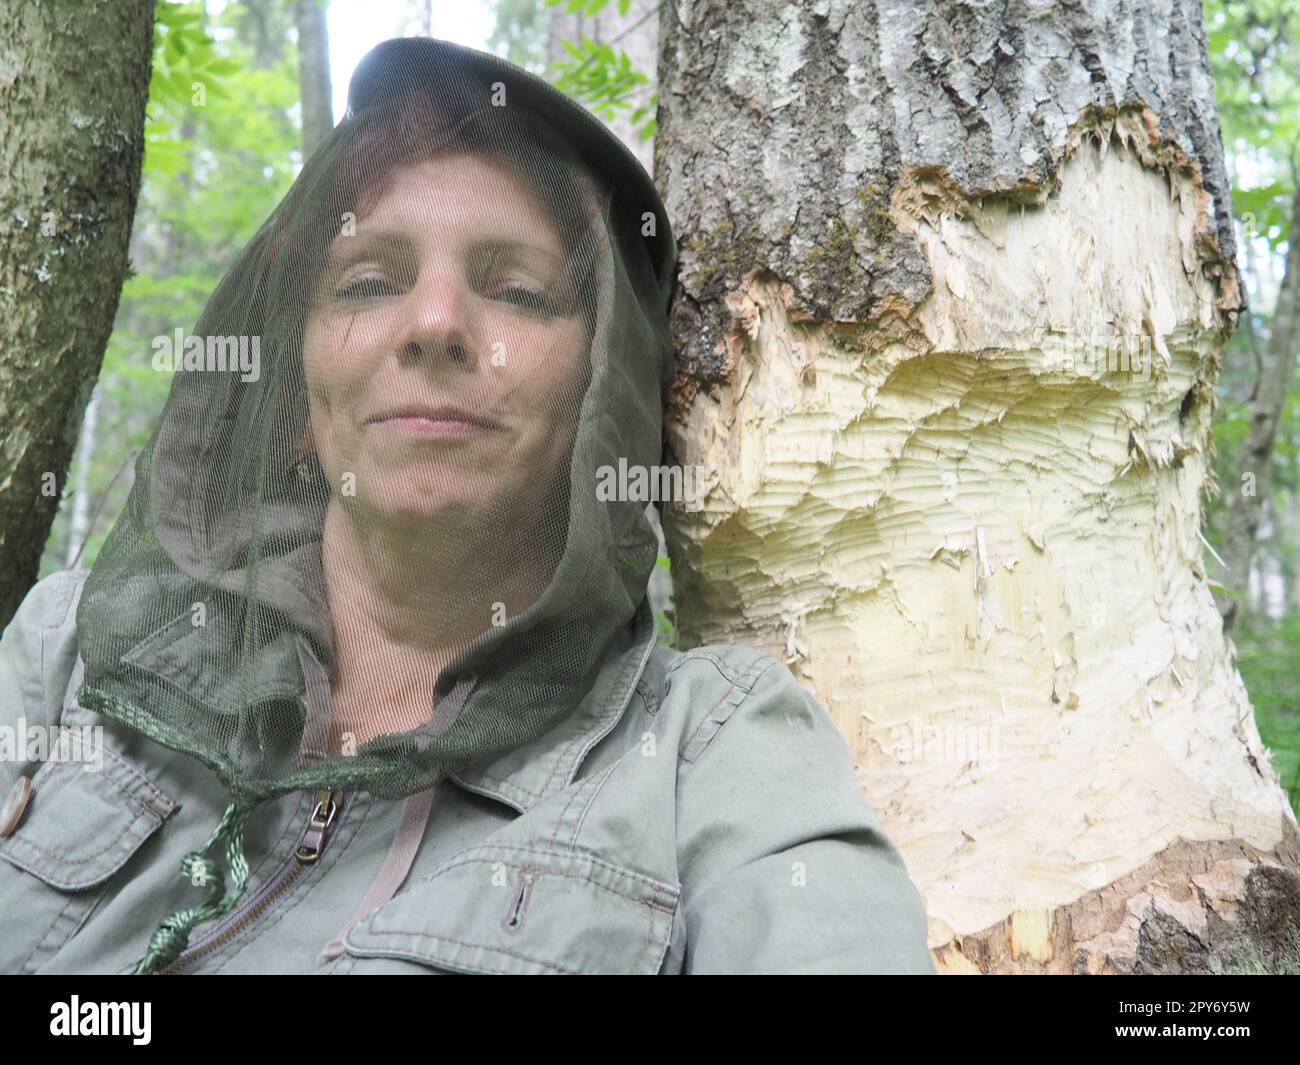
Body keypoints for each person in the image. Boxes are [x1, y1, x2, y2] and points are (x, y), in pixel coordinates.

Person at [0, 36, 935, 975]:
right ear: (296, 401)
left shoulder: (710, 751)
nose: (436, 324)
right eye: (369, 281)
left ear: (602, 402)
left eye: (520, 292)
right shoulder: (66, 653)